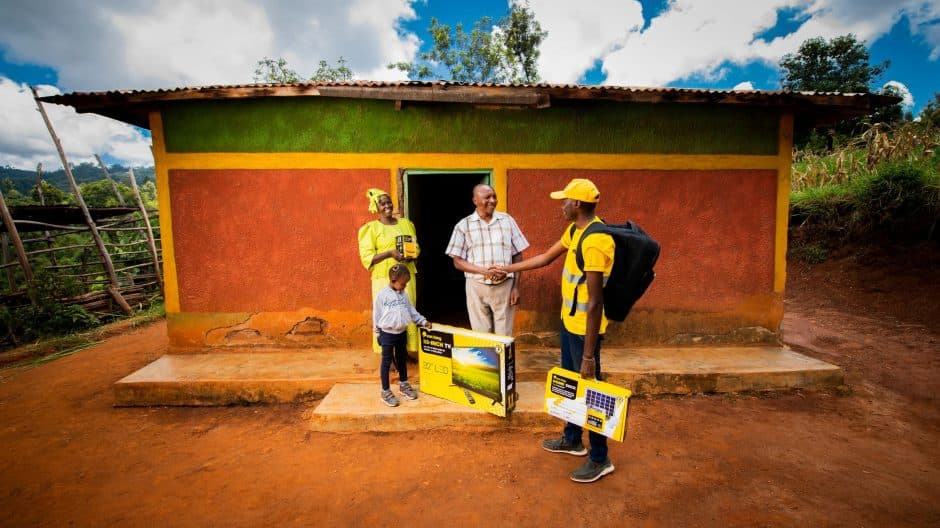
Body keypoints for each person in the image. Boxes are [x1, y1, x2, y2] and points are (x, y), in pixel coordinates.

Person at [493, 178, 616, 483]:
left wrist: (589, 354)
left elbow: (596, 302)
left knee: (592, 390)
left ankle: (600, 457)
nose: (560, 205)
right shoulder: (576, 231)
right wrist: (507, 269)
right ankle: (573, 439)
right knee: (572, 385)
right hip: (569, 321)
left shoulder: (595, 240)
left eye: (564, 201)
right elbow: (546, 257)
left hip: (584, 331)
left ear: (576, 204)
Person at [444, 184, 529, 336]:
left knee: (504, 336)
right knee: (481, 334)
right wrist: (483, 271)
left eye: (494, 196)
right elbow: (457, 261)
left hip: (505, 286)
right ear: (475, 200)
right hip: (476, 287)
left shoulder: (507, 221)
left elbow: (517, 255)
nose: (493, 200)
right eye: (487, 197)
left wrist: (516, 286)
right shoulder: (463, 226)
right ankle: (485, 361)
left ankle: (502, 361)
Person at [358, 188, 421, 356]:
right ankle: (388, 354)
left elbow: (415, 247)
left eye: (389, 202)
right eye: (382, 203)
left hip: (406, 275)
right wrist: (389, 253)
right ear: (376, 207)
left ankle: (406, 351)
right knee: (388, 312)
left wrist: (411, 255)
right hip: (383, 278)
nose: (387, 205)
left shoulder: (406, 224)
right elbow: (367, 257)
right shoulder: (370, 229)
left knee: (407, 309)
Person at [373, 264, 431, 407]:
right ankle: (385, 391)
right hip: (387, 333)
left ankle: (403, 384)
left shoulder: (403, 295)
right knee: (386, 362)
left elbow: (411, 311)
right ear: (393, 281)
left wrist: (422, 321)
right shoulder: (382, 295)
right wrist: (377, 333)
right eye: (403, 284)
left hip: (401, 333)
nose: (405, 287)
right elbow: (376, 315)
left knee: (401, 359)